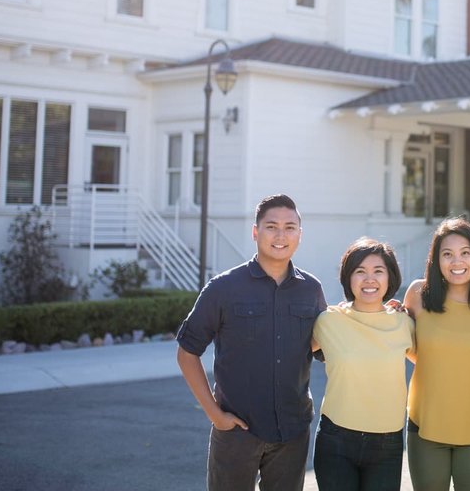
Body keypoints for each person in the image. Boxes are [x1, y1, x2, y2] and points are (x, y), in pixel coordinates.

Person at [176, 193, 326, 491]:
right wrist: (215, 415)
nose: (281, 235)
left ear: (300, 234)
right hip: (236, 434)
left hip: (292, 433)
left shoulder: (311, 290)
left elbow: (325, 344)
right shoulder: (223, 288)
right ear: (256, 231)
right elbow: (187, 352)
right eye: (271, 226)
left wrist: (380, 313)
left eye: (290, 227)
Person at [404, 217, 470, 491]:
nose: (456, 262)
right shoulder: (417, 294)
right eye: (447, 254)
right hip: (424, 425)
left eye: (465, 253)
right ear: (436, 259)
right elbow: (416, 352)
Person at [311, 238, 414, 491]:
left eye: (378, 271)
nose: (370, 279)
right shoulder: (328, 321)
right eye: (360, 271)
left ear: (390, 278)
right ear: (348, 278)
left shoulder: (405, 323)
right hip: (336, 440)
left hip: (387, 444)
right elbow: (291, 353)